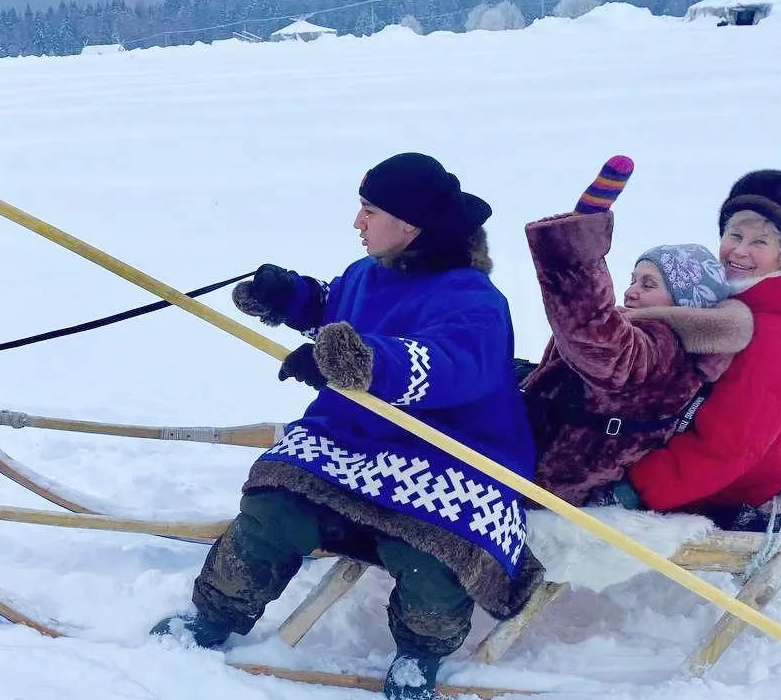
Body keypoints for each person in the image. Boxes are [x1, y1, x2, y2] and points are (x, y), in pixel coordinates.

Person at [150, 152, 544, 700]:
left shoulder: (473, 299)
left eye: (369, 211)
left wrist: (364, 364)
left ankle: (419, 655)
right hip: (353, 438)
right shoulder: (367, 272)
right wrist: (291, 297)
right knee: (274, 509)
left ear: (410, 225)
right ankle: (214, 616)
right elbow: (336, 306)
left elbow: (445, 363)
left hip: (451, 455)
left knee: (433, 553)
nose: (357, 223)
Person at [517, 157, 752, 508]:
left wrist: (576, 252)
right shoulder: (653, 336)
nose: (631, 292)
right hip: (533, 453)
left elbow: (599, 344)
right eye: (632, 279)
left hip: (548, 481)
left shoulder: (665, 346)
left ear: (684, 300)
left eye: (648, 283)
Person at [604, 169, 781, 523]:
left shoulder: (772, 332)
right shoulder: (725, 308)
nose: (739, 251)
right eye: (735, 235)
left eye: (760, 243)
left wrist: (631, 488)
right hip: (679, 473)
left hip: (706, 494)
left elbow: (729, 446)